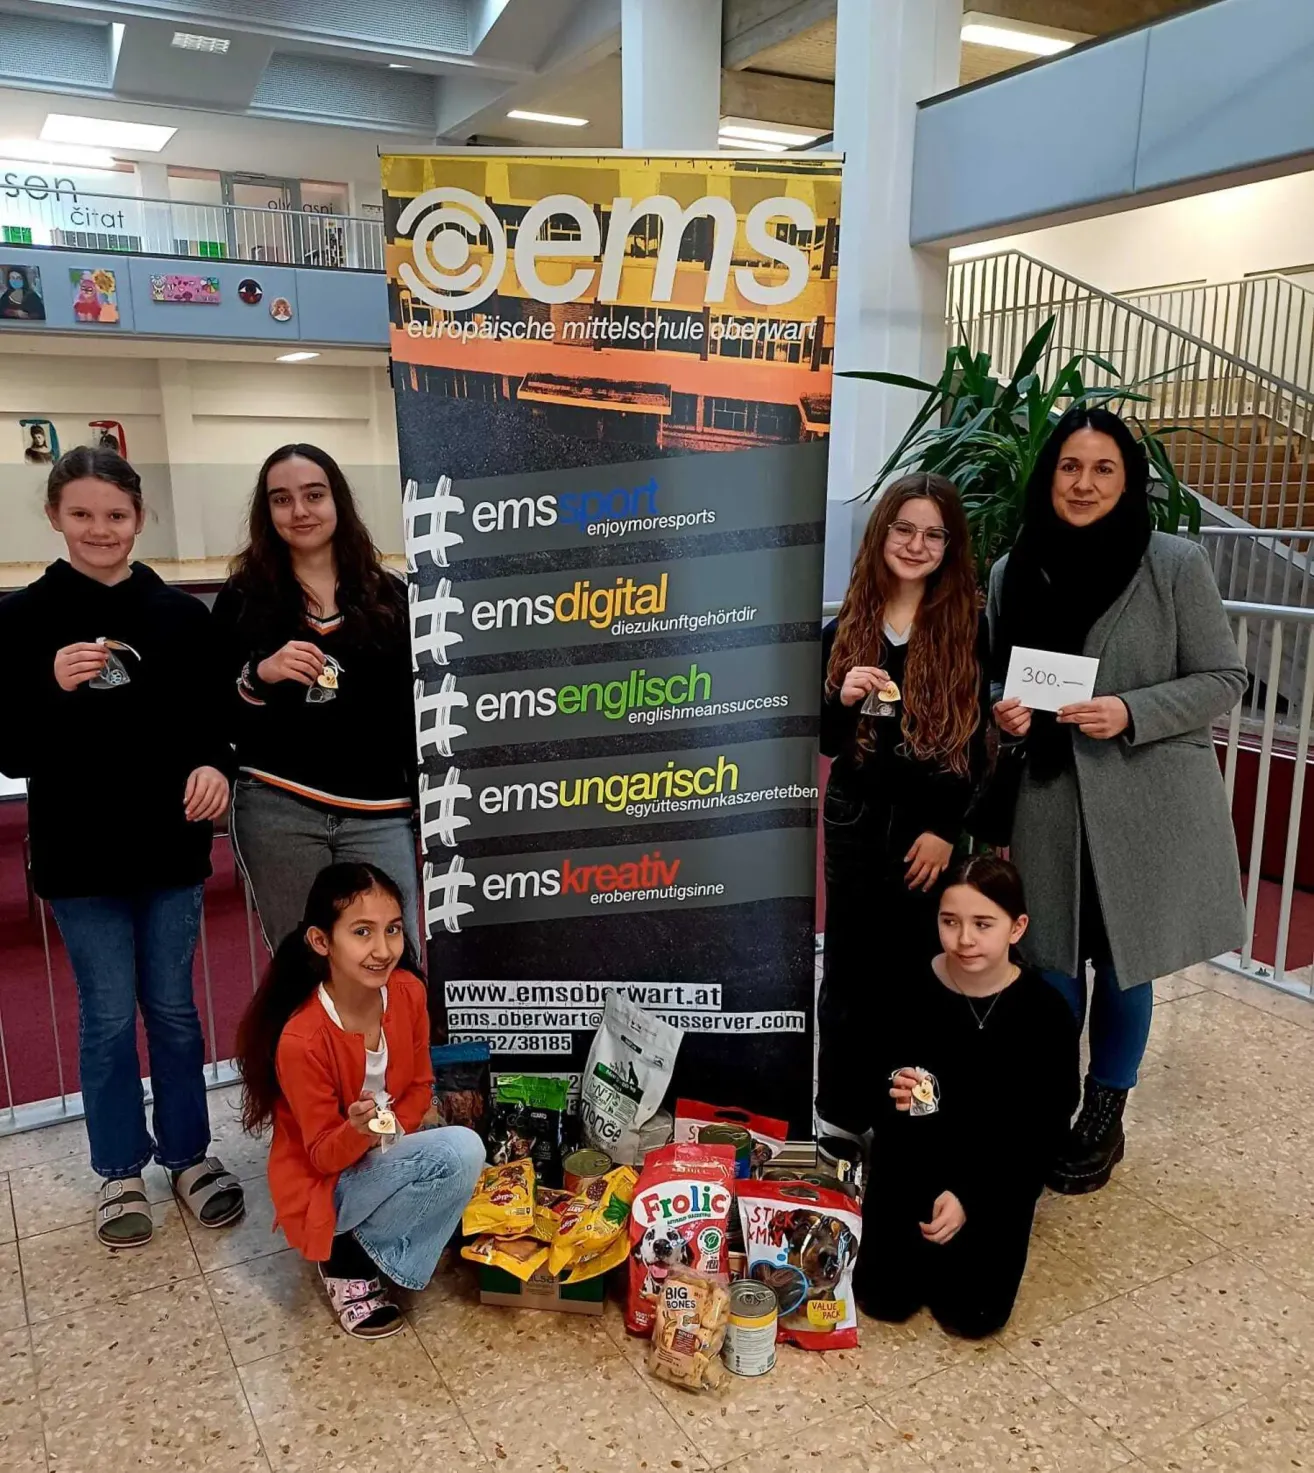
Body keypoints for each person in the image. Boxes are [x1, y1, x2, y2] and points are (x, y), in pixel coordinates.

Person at [990, 405, 1246, 1194]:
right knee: (1054, 963)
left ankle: (1107, 1109)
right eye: (1071, 466)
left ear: (1128, 479)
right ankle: (1054, 1100)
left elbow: (1224, 680)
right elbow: (998, 675)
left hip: (1142, 800)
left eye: (1104, 469)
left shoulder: (1172, 564)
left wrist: (1132, 710)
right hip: (1050, 800)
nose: (1085, 483)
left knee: (1125, 963)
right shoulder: (1012, 567)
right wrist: (1004, 710)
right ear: (1049, 473)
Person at [0, 445, 244, 1245]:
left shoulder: (179, 616)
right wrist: (50, 687)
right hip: (79, 857)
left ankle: (188, 1153)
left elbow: (216, 721)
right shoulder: (21, 618)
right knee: (106, 1017)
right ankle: (117, 1169)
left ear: (139, 518)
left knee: (173, 1011)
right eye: (82, 514)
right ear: (54, 518)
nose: (100, 529)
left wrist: (216, 765)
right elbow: (11, 749)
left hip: (167, 850)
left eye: (116, 514)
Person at [235, 863, 484, 1337]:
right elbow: (322, 1156)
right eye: (362, 932)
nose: (383, 949)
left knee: (469, 1156)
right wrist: (359, 1131)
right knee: (458, 1153)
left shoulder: (409, 992)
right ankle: (343, 1256)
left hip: (382, 1147)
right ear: (321, 941)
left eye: (392, 930)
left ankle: (376, 1243)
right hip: (325, 1180)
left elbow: (419, 1087)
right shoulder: (302, 1040)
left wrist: (387, 1132)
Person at [818, 472, 988, 1139]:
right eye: (904, 528)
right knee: (852, 975)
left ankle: (912, 1122)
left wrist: (946, 828)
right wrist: (841, 697)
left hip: (928, 831)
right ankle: (841, 1118)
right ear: (882, 532)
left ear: (949, 544)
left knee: (921, 976)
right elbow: (829, 741)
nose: (916, 544)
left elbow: (975, 743)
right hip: (855, 823)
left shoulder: (967, 629)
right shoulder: (846, 624)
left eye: (933, 533)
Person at [854, 855, 1078, 1338]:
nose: (965, 940)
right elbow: (870, 1086)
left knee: (974, 1316)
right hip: (913, 1164)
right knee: (881, 1299)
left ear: (1017, 928)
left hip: (996, 1175)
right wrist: (894, 1092)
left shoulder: (1046, 1012)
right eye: (950, 921)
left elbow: (1044, 1127)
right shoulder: (905, 988)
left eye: (983, 924)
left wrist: (971, 1196)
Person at [212, 444, 419, 955]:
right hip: (278, 809)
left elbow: (413, 712)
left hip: (379, 810)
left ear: (338, 503)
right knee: (303, 965)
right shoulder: (243, 599)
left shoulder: (390, 598)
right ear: (267, 513)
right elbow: (214, 713)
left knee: (389, 961)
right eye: (282, 499)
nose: (299, 511)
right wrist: (259, 675)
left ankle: (384, 1042)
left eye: (313, 495)